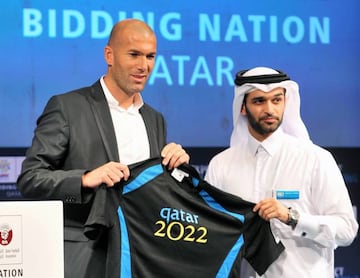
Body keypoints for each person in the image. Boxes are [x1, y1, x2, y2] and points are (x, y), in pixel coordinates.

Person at [17, 19, 189, 278]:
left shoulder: (155, 119)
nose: (144, 65)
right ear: (109, 55)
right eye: (134, 55)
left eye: (150, 56)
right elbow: (30, 179)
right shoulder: (67, 107)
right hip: (85, 259)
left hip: (142, 258)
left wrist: (177, 171)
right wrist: (85, 179)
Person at [205, 66, 358, 277]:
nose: (270, 109)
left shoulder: (316, 159)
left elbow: (346, 229)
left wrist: (292, 218)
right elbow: (211, 235)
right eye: (259, 101)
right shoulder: (221, 165)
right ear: (242, 107)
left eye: (276, 100)